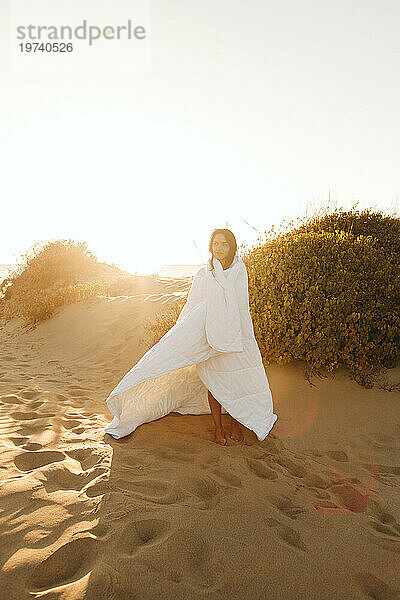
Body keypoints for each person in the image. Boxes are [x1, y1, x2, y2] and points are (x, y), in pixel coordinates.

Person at [104, 227, 278, 445]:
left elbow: (242, 305)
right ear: (210, 246)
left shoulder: (239, 270)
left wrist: (242, 333)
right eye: (216, 244)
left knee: (236, 380)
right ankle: (217, 428)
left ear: (232, 246)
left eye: (224, 244)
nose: (219, 248)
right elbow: (194, 303)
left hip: (236, 333)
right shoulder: (204, 273)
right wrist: (185, 331)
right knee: (214, 381)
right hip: (209, 333)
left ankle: (235, 424)